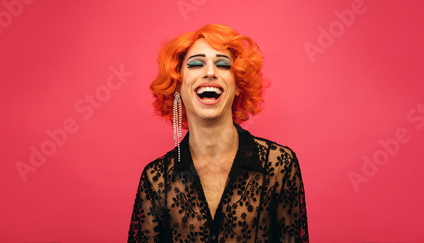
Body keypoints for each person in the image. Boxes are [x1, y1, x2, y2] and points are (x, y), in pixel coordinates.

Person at [128, 24, 309, 242]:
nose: (210, 72)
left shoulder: (280, 164)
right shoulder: (155, 179)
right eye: (196, 64)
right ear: (177, 84)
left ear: (238, 85)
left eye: (223, 65)